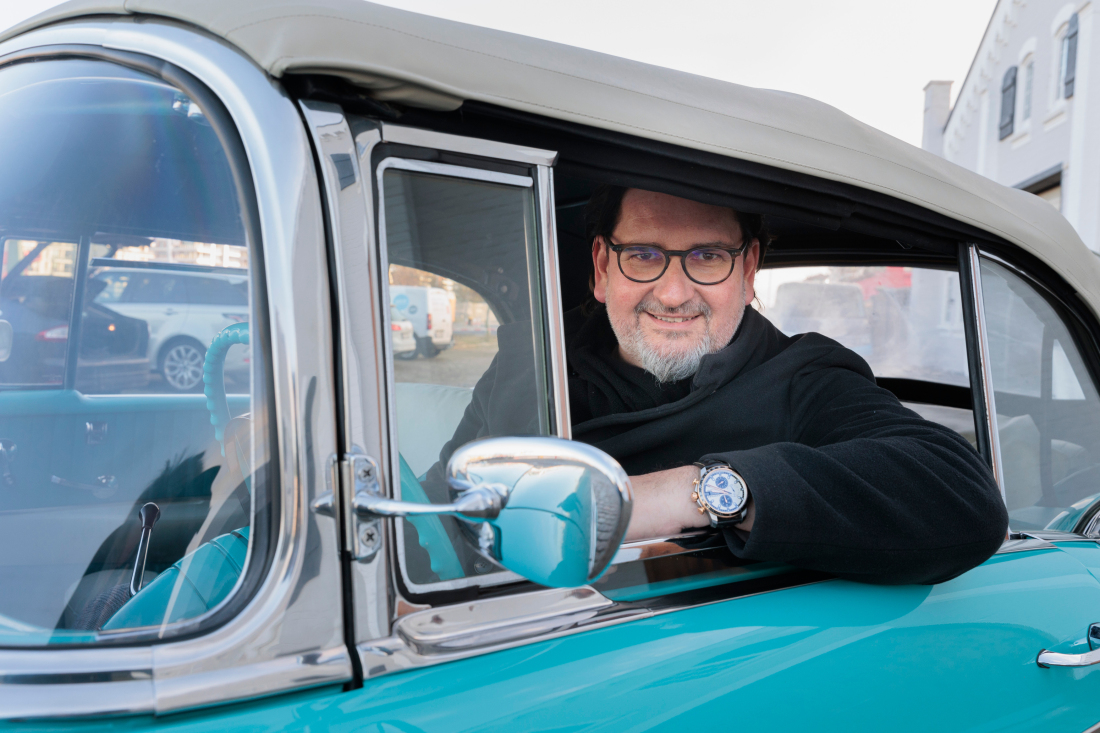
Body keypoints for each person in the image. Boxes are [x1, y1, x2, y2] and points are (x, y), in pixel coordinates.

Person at [423, 185, 1007, 585]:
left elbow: (960, 496)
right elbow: (441, 498)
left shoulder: (803, 378)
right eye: (644, 255)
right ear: (602, 268)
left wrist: (694, 493)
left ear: (748, 272)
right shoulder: (530, 360)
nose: (674, 293)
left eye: (706, 257)